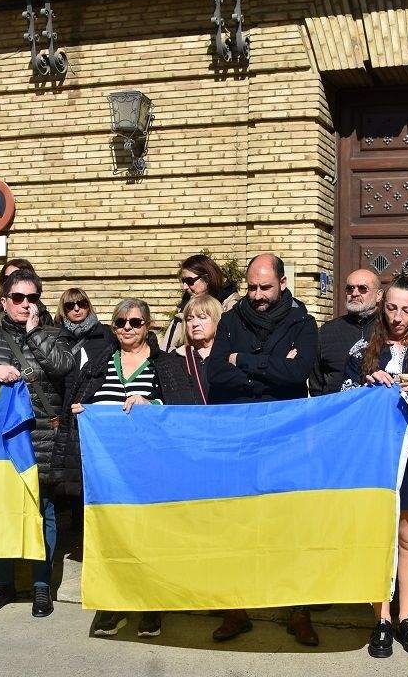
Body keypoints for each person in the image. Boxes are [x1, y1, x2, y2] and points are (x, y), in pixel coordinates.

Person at [64, 299, 201, 639]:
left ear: (148, 326)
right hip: (106, 471)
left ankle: (150, 606)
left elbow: (184, 410)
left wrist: (151, 404)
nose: (128, 328)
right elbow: (74, 403)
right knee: (111, 538)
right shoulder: (97, 364)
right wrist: (82, 410)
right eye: (121, 322)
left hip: (150, 468)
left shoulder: (165, 364)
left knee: (149, 537)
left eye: (135, 322)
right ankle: (113, 604)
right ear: (114, 327)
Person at [207, 253, 319, 645]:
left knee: (288, 525)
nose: (256, 294)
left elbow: (297, 373)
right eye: (252, 287)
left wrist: (245, 361)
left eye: (265, 287)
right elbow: (216, 373)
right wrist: (269, 366)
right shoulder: (231, 320)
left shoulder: (303, 324)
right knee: (237, 524)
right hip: (238, 436)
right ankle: (236, 610)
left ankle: (298, 611)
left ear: (283, 284)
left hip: (285, 439)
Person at [0, 268, 75, 618]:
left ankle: (41, 587)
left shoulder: (54, 333)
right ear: (4, 301)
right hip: (1, 440)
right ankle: (3, 584)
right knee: (1, 512)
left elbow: (63, 367)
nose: (25, 304)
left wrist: (36, 333)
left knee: (42, 512)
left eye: (32, 297)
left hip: (42, 437)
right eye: (18, 298)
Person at [341, 274, 408, 659]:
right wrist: (369, 386)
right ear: (381, 305)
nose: (398, 317)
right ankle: (382, 619)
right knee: (379, 536)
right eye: (391, 308)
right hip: (376, 455)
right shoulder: (360, 349)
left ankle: (407, 618)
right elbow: (342, 400)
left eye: (406, 309)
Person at [309, 268, 381, 396]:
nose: (354, 293)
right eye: (350, 288)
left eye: (362, 288)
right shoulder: (327, 332)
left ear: (379, 295)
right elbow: (316, 384)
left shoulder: (390, 330)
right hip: (336, 411)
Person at [164, 254, 240, 352]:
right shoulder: (183, 310)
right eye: (183, 281)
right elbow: (166, 350)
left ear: (207, 279)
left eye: (189, 281)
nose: (185, 287)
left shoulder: (232, 308)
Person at [170, 293, 222, 402]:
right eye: (189, 319)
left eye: (202, 317)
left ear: (217, 321)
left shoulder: (227, 356)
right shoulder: (175, 359)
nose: (194, 324)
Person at [55, 287, 115, 368]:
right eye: (70, 305)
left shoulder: (106, 332)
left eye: (81, 303)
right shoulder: (57, 336)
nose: (76, 309)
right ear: (63, 310)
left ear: (88, 306)